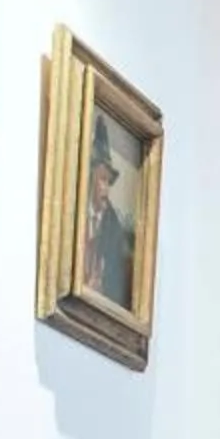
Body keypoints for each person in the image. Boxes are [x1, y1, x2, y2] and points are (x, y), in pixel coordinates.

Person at [81, 115, 135, 310]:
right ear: (90, 177)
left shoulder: (114, 228)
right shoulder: (76, 214)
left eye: (109, 182)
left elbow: (115, 285)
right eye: (102, 179)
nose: (106, 189)